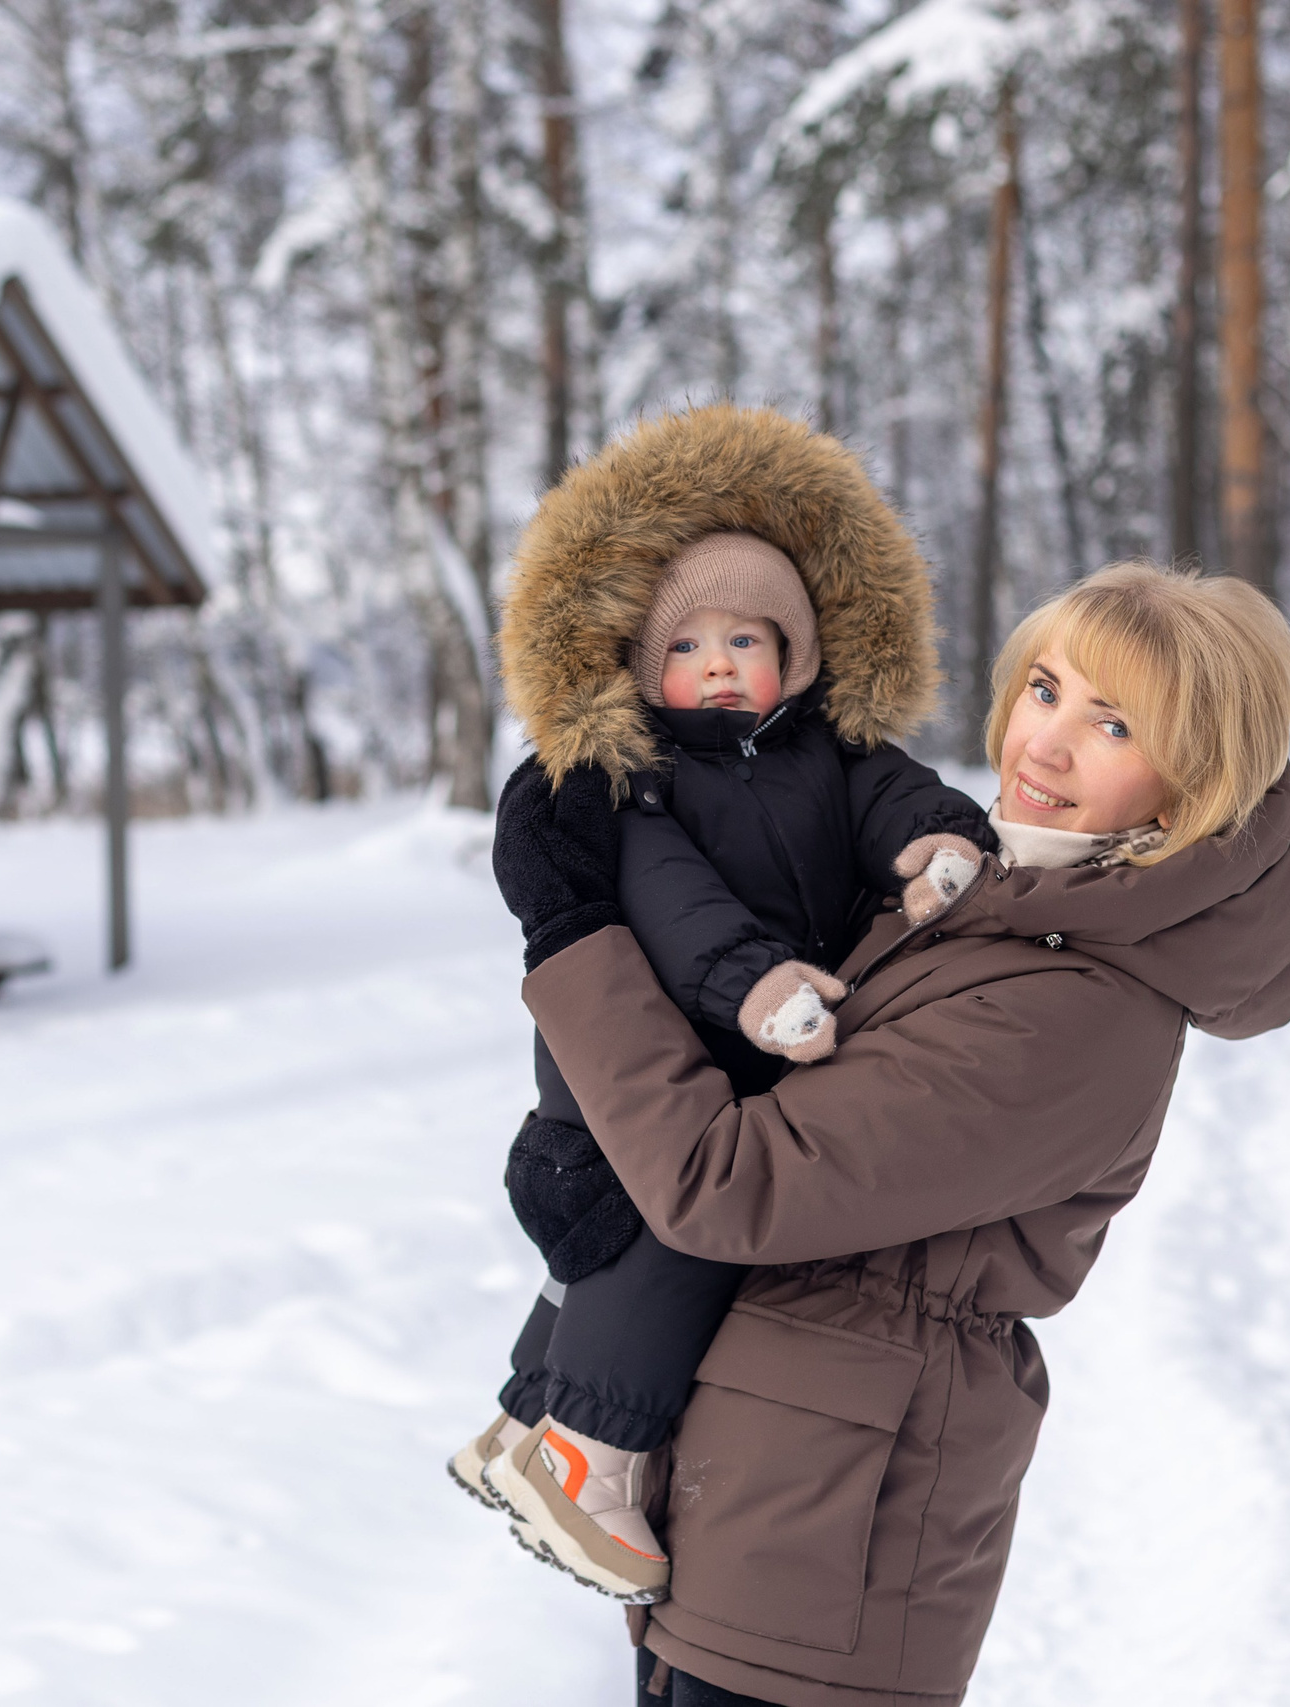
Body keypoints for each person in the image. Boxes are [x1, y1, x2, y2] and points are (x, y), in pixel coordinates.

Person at [493, 557, 1290, 1707]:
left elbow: (732, 1186)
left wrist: (571, 935)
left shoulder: (1075, 1011)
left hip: (830, 1551)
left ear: (1192, 782)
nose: (1044, 744)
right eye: (1043, 689)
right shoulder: (973, 908)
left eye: (1113, 723)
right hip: (765, 1501)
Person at [447, 405, 995, 1603]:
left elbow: (898, 798)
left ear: (792, 654)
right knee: (672, 1236)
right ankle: (590, 1457)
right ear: (649, 668)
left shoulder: (830, 754)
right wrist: (750, 985)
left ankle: (523, 1422)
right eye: (687, 649)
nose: (717, 667)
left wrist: (938, 844)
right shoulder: (634, 786)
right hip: (675, 1043)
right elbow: (671, 902)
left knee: (627, 1241)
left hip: (768, 1041)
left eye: (745, 641)